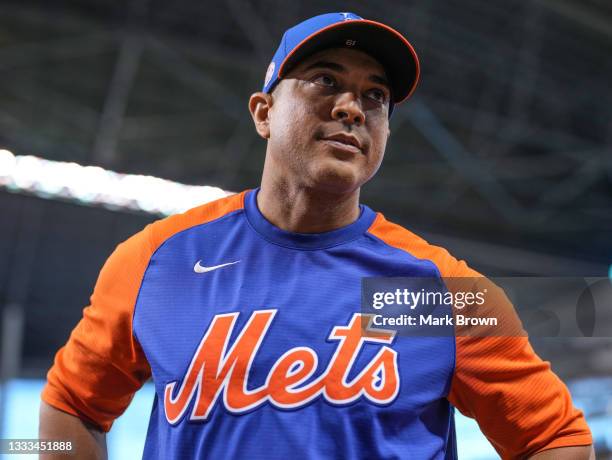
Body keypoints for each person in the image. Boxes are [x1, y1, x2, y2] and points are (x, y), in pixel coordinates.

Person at [39, 12, 594, 460]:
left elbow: (554, 440)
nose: (352, 107)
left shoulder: (433, 291)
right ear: (264, 112)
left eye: (375, 96)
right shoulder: (159, 260)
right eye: (326, 80)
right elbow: (72, 407)